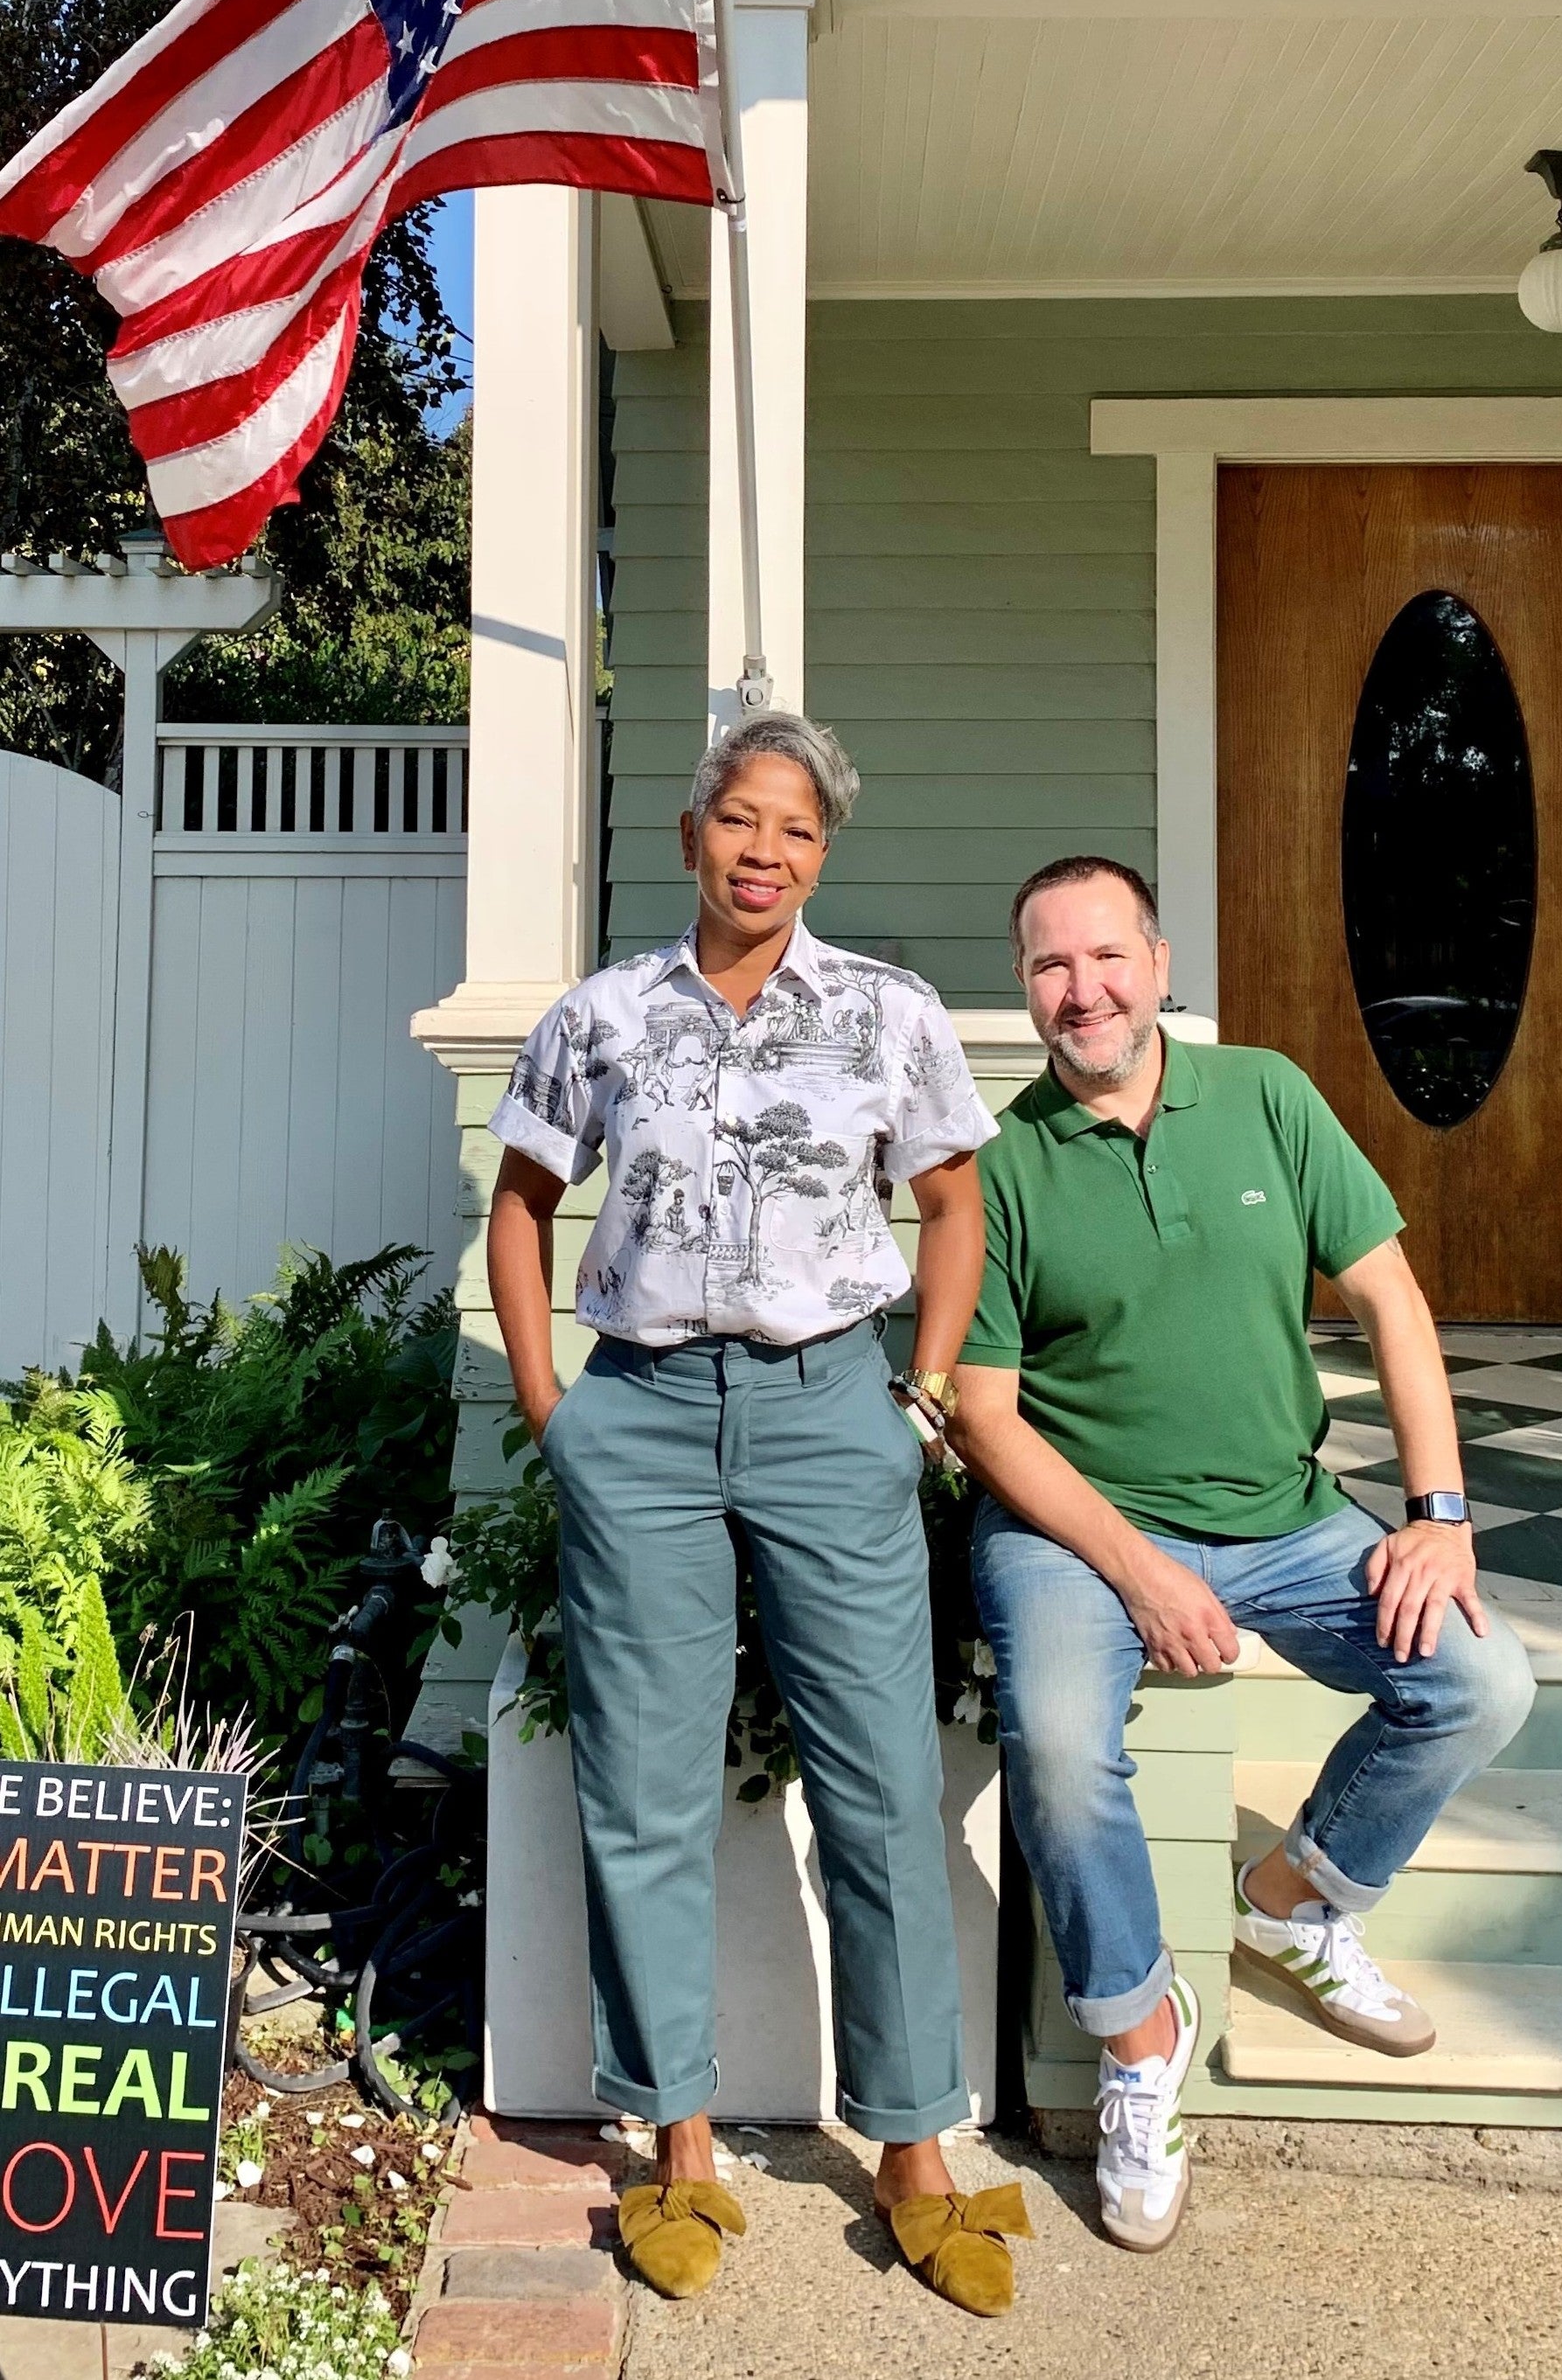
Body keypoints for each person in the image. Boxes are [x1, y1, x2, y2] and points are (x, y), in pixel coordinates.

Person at [485, 713, 1032, 2316]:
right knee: (644, 1796)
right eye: (740, 818)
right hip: (642, 1420)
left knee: (877, 1780)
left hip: (827, 1415)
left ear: (822, 852)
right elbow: (522, 1213)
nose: (765, 851)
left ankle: (917, 2149)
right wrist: (554, 1413)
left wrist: (922, 1393)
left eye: (796, 829)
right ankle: (678, 2145)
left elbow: (952, 1205)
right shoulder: (597, 1019)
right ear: (691, 832)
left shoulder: (887, 1016)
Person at [950, 855, 1537, 2255]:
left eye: (1105, 957)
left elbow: (1389, 1295)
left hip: (1282, 1510)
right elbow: (980, 1412)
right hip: (1074, 1529)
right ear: (1024, 985)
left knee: (1479, 1681)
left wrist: (1439, 1516)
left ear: (1158, 965)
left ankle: (1295, 1901)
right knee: (1057, 1740)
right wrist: (1143, 1573)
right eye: (1048, 965)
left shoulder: (1268, 1094)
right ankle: (1142, 2030)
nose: (1080, 989)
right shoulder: (1001, 1163)